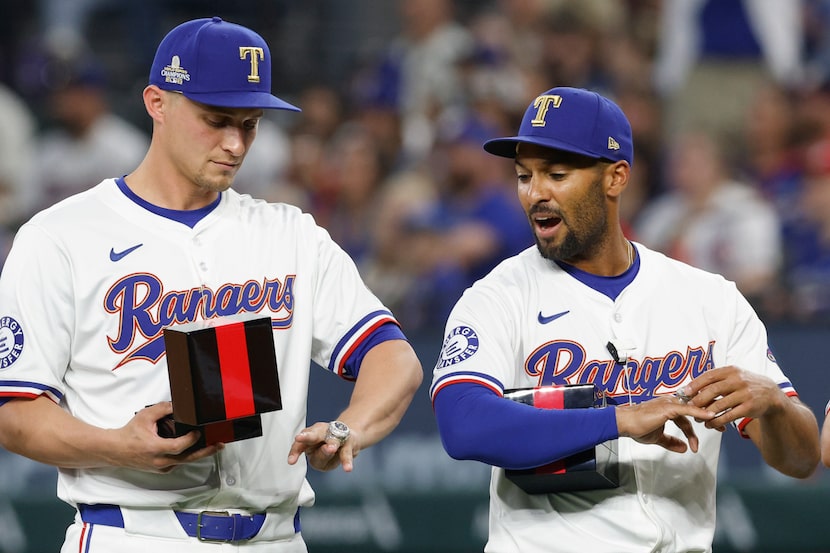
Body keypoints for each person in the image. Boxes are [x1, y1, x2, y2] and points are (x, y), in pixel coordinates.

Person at [0, 16, 423, 553]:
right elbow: (15, 414)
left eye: (250, 123)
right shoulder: (61, 236)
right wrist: (118, 445)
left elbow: (395, 358)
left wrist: (349, 427)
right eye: (216, 118)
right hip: (132, 532)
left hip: (275, 536)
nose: (235, 142)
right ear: (157, 102)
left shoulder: (289, 233)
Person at [429, 86, 819, 553]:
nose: (536, 193)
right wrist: (617, 419)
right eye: (523, 176)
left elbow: (800, 461)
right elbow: (463, 424)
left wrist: (774, 404)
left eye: (556, 173)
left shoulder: (709, 298)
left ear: (615, 178)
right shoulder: (499, 296)